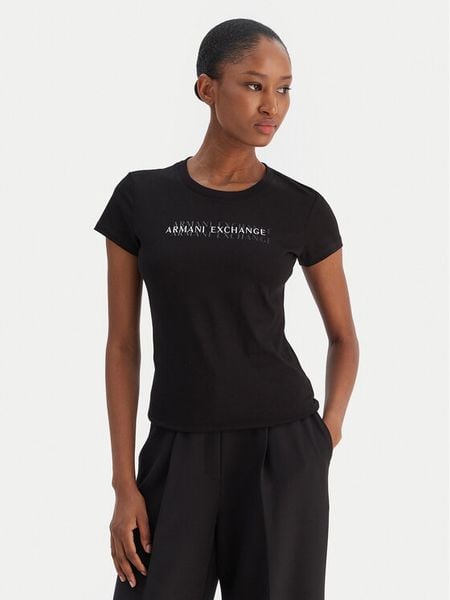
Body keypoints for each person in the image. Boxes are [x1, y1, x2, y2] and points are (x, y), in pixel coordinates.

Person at [93, 17, 359, 600]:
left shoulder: (302, 208)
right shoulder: (141, 198)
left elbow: (343, 338)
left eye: (284, 88)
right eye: (254, 85)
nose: (272, 105)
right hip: (175, 447)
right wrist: (123, 484)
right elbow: (122, 345)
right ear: (207, 88)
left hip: (280, 451)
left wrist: (327, 433)